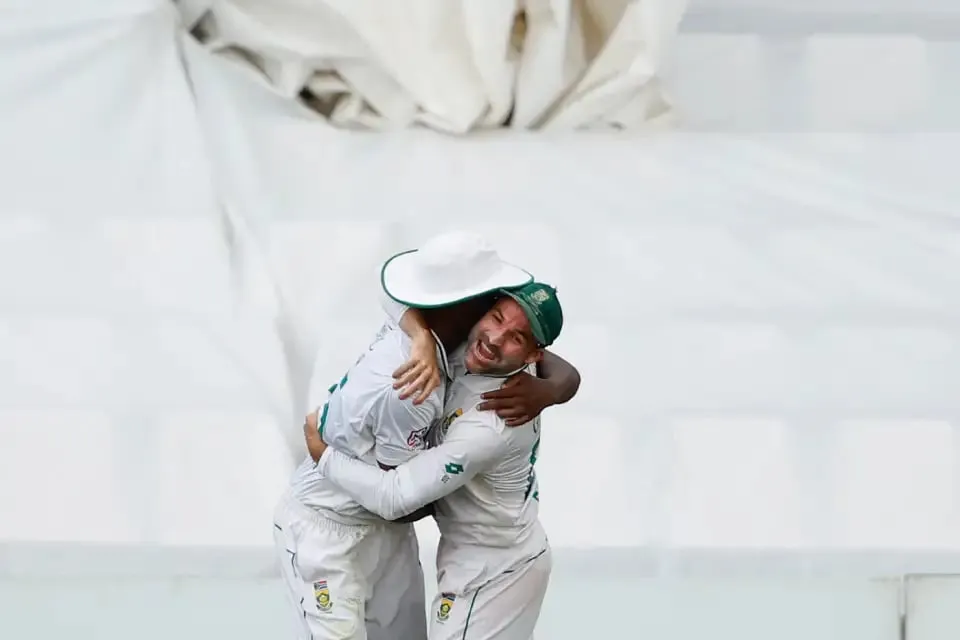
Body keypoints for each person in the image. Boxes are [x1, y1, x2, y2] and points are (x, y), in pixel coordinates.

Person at [272, 231, 580, 640]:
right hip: (326, 527)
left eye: (517, 336)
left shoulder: (492, 408)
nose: (495, 337)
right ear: (478, 305)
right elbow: (394, 297)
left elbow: (398, 501)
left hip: (486, 560)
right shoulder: (432, 365)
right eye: (497, 316)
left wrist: (321, 451)